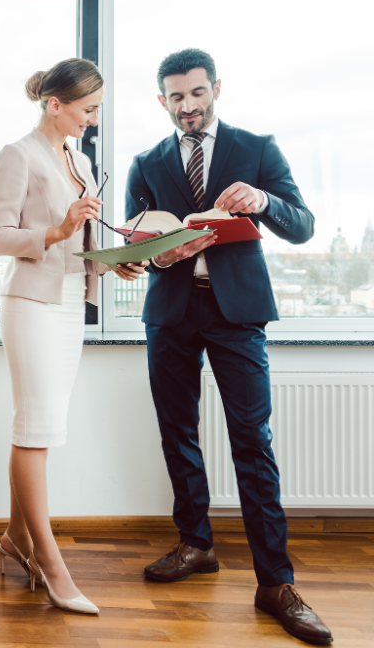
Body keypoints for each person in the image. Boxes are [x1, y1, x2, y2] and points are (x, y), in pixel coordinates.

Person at [125, 48, 331, 645]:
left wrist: (263, 202)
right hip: (170, 312)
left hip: (236, 313)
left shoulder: (256, 148)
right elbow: (139, 244)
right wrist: (161, 253)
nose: (187, 106)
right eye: (175, 97)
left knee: (251, 440)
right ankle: (195, 545)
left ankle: (276, 582)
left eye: (196, 94)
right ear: (162, 100)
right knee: (177, 431)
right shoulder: (146, 161)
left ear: (216, 88)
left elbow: (303, 224)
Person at [0, 58, 146, 615]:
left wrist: (115, 263)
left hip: (69, 306)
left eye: (97, 110)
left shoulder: (80, 159)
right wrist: (56, 229)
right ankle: (52, 566)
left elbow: (79, 248)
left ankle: (15, 538)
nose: (93, 121)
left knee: (44, 428)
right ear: (55, 105)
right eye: (87, 109)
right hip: (30, 304)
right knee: (34, 429)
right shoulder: (18, 154)